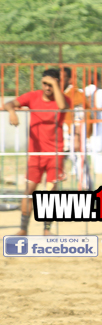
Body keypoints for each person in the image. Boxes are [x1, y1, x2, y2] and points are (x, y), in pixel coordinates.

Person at [4, 68, 68, 236]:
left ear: (57, 84)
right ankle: (23, 229)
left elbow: (63, 107)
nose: (47, 87)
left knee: (51, 192)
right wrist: (12, 113)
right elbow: (8, 103)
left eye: (51, 84)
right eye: (45, 83)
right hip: (36, 153)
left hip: (55, 153)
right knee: (29, 191)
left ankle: (47, 230)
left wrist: (55, 85)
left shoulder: (62, 98)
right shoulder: (33, 96)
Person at [61, 67, 92, 189]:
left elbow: (80, 117)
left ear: (69, 79)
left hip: (72, 136)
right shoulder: (59, 94)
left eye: (63, 78)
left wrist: (77, 137)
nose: (60, 81)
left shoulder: (76, 94)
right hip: (61, 136)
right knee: (54, 166)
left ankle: (86, 190)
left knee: (81, 165)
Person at [84, 77, 102, 185]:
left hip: (87, 124)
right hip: (98, 124)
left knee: (86, 150)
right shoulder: (101, 93)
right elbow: (101, 110)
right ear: (98, 81)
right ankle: (98, 173)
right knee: (98, 151)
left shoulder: (84, 91)